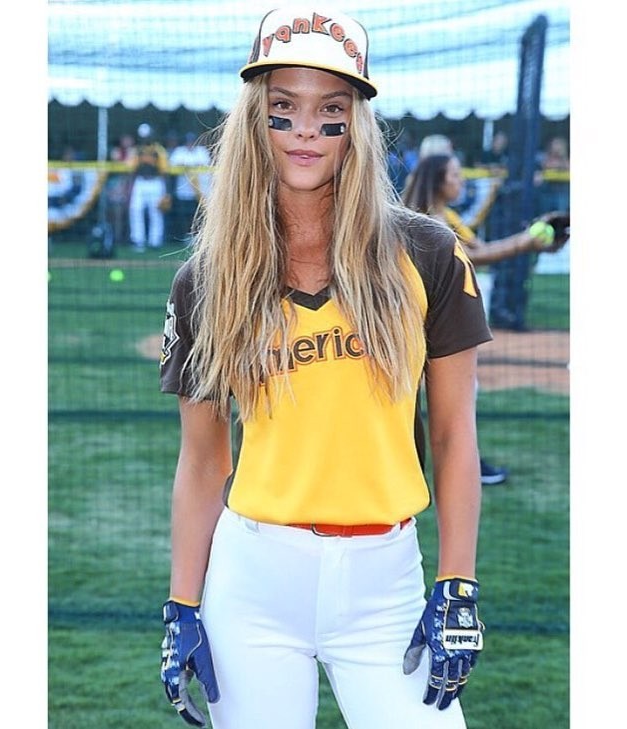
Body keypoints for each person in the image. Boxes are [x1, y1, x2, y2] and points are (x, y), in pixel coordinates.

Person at [158, 7, 488, 729]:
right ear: (255, 121)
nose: (306, 129)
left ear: (356, 124)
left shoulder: (427, 254)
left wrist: (457, 584)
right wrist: (182, 603)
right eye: (285, 107)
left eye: (330, 110)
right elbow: (204, 459)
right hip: (253, 584)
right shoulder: (208, 278)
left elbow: (453, 436)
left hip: (386, 583)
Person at [402, 153, 567, 485]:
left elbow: (480, 248)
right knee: (425, 400)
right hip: (419, 322)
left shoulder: (446, 215)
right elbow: (472, 257)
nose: (461, 180)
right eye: (454, 175)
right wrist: (526, 243)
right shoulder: (427, 220)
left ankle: (463, 463)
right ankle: (449, 465)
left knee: (443, 399)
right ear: (437, 181)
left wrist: (529, 242)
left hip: (437, 320)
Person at [128, 122, 170, 251]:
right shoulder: (137, 151)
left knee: (156, 212)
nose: (145, 139)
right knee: (135, 209)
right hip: (140, 182)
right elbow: (132, 169)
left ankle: (155, 241)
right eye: (143, 137)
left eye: (147, 136)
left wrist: (166, 191)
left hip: (155, 182)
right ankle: (138, 240)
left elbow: (164, 171)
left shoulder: (158, 150)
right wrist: (129, 186)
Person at [168, 131, 212, 244]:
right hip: (184, 190)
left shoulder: (201, 151)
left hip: (200, 190)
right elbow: (173, 164)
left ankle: (198, 235)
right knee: (184, 214)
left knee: (198, 214)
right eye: (188, 142)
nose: (190, 144)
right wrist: (188, 165)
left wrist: (189, 166)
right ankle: (185, 235)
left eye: (192, 141)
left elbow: (205, 164)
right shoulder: (180, 151)